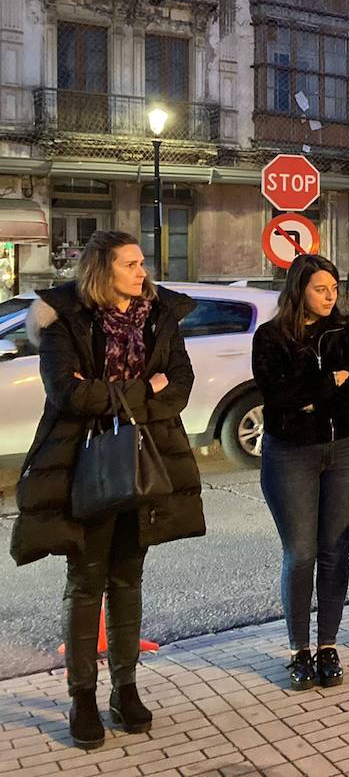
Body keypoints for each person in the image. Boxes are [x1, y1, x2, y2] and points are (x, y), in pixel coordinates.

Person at [9, 231, 204, 750]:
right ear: (103, 269)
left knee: (127, 578)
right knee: (85, 581)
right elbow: (69, 394)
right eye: (132, 263)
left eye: (142, 263)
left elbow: (180, 386)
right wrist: (144, 389)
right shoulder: (64, 319)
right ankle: (81, 698)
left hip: (146, 463)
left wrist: (115, 396)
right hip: (84, 464)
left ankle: (126, 689)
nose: (143, 272)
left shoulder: (160, 315)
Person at [252, 254, 349, 691]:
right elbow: (279, 395)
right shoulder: (271, 337)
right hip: (290, 453)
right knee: (300, 553)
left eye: (334, 288)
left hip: (347, 450)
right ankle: (298, 650)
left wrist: (318, 395)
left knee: (334, 551)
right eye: (320, 289)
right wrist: (330, 384)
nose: (330, 297)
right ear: (299, 290)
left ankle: (328, 645)